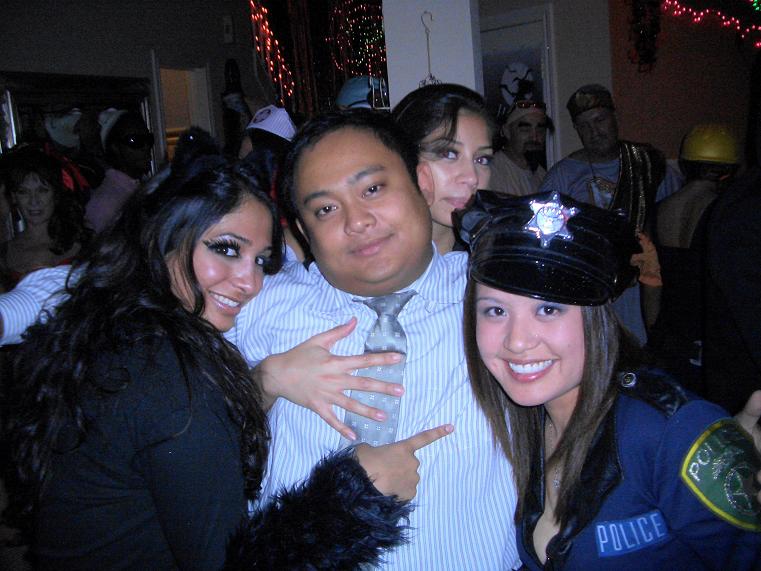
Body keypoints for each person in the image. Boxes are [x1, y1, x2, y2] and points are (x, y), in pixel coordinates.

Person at [2, 129, 444, 570]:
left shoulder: (116, 331)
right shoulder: (167, 376)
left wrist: (266, 379)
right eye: (227, 249)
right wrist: (355, 497)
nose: (250, 282)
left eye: (260, 260)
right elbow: (230, 563)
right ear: (164, 235)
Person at [233, 109, 519, 570]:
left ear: (422, 183)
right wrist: (262, 383)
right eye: (325, 209)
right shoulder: (258, 306)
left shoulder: (499, 296)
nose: (357, 221)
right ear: (303, 230)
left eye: (372, 189)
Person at [456, 189, 761, 569]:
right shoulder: (521, 424)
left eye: (548, 309)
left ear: (595, 319)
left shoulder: (668, 431)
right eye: (496, 310)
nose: (517, 341)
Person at [540, 84, 682, 345]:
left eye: (600, 120)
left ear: (614, 117)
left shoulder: (649, 165)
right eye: (584, 126)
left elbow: (675, 229)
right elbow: (547, 244)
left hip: (648, 292)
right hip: (593, 295)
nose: (594, 132)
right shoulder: (562, 177)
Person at [651, 124, 741, 391]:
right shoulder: (726, 212)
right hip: (710, 340)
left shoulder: (658, 211)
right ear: (727, 171)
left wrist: (656, 339)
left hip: (671, 337)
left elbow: (651, 283)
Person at [392, 83, 495, 254]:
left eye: (482, 159)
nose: (472, 178)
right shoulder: (364, 259)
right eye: (448, 154)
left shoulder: (494, 257)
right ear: (403, 157)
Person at [0, 148, 88, 292]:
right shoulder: (5, 253)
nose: (33, 201)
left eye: (42, 191)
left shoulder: (82, 243)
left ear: (56, 193)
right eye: (23, 192)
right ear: (14, 197)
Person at [84, 109, 153, 233]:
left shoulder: (147, 187)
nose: (146, 147)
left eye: (148, 139)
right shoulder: (105, 203)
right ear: (115, 148)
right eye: (134, 141)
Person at [490, 100, 549, 196]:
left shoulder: (542, 175)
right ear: (507, 131)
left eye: (540, 129)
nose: (534, 137)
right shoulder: (492, 172)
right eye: (525, 129)